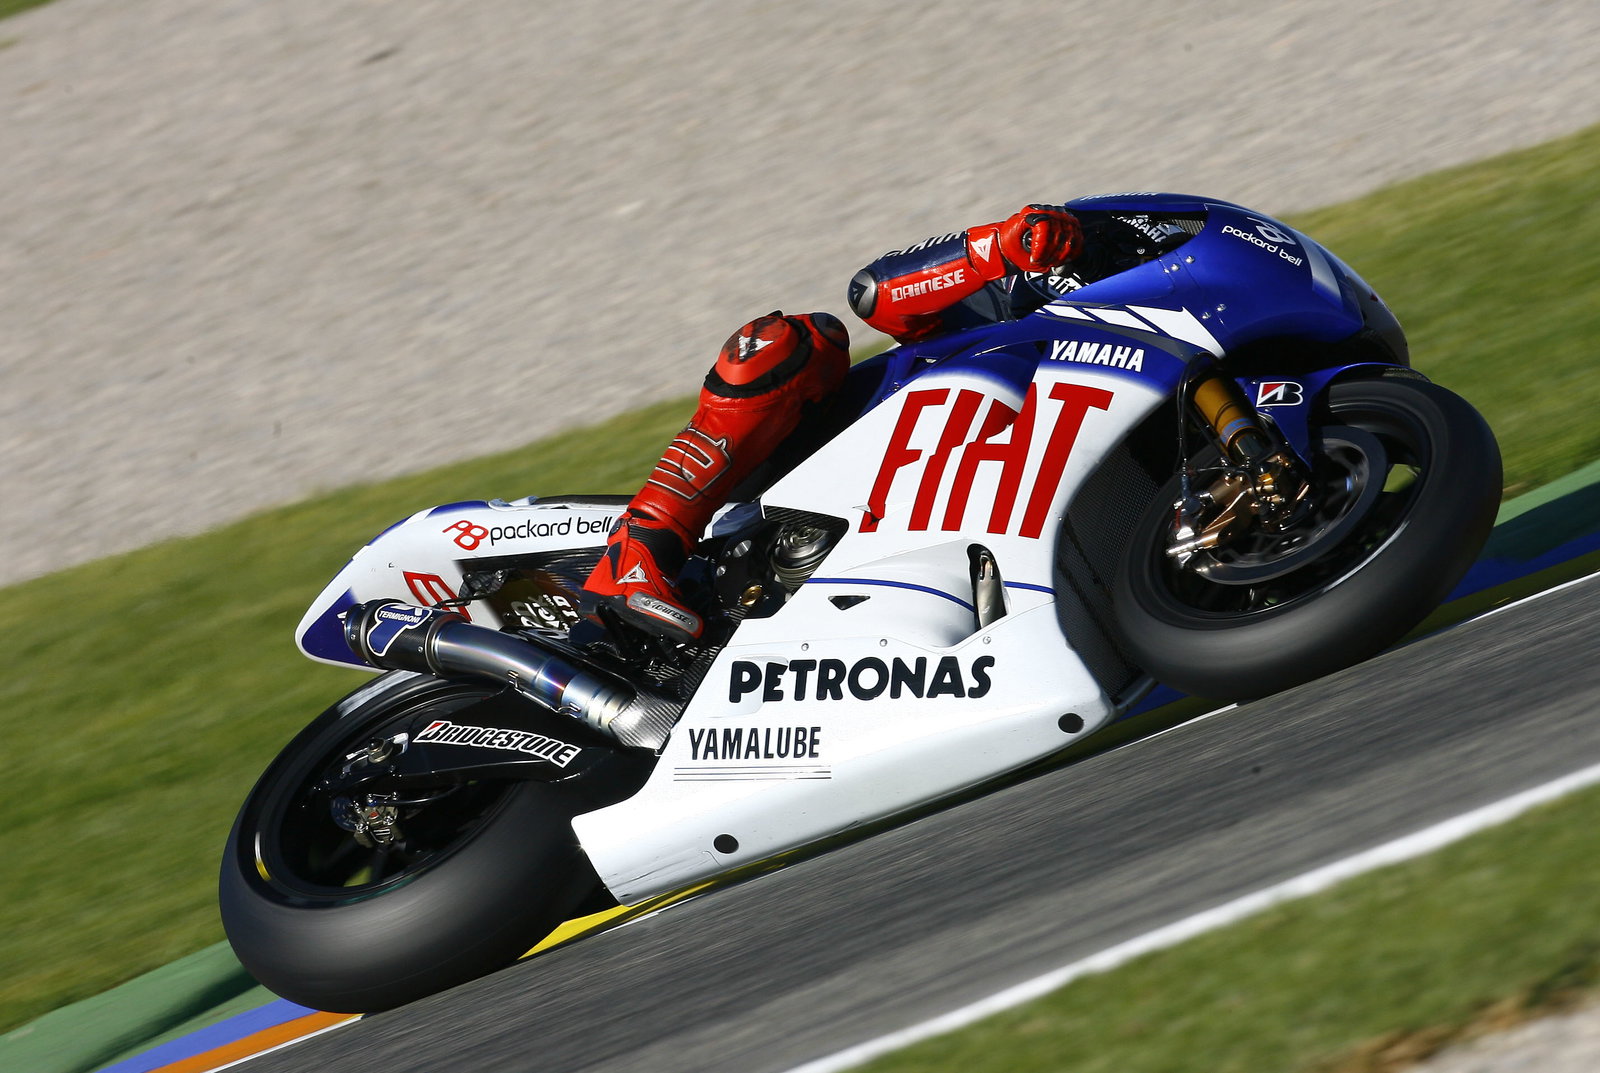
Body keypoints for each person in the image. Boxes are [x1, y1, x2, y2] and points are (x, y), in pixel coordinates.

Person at [582, 205, 1092, 643]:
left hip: (1004, 480)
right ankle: (638, 552)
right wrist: (996, 248)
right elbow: (874, 291)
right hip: (882, 429)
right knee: (791, 341)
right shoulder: (1115, 239)